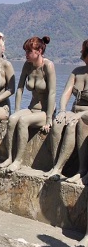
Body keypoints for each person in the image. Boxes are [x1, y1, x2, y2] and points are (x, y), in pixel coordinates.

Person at [0, 36, 56, 172]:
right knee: (13, 119)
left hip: (45, 111)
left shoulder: (48, 66)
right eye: (26, 51)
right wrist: (17, 110)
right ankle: (9, 157)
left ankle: (18, 160)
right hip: (31, 108)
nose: (26, 55)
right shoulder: (27, 65)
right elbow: (19, 89)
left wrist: (49, 119)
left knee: (23, 121)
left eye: (29, 52)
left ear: (40, 51)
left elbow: (53, 92)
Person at [44, 40, 88, 180]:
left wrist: (81, 114)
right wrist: (62, 110)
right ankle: (55, 165)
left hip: (86, 114)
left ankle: (77, 170)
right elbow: (65, 94)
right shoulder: (77, 72)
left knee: (73, 125)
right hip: (74, 110)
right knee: (57, 124)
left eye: (82, 50)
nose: (80, 52)